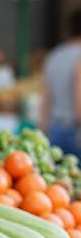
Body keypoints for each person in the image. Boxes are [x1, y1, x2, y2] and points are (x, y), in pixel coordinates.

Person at [41, 9, 81, 157]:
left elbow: (45, 98)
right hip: (76, 132)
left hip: (55, 129)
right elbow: (79, 101)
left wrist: (43, 129)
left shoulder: (55, 55)